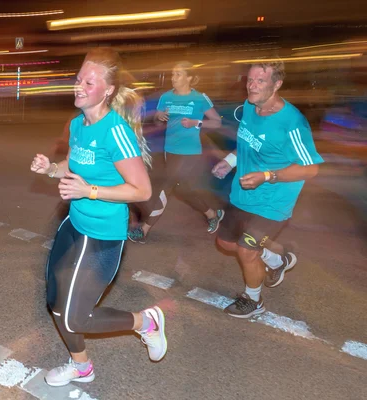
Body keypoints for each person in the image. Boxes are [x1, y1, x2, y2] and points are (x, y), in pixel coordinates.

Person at [30, 48, 168, 387]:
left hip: (103, 237)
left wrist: (88, 191)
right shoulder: (78, 124)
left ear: (107, 90)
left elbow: (141, 190)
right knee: (56, 304)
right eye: (78, 79)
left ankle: (146, 322)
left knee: (77, 317)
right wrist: (51, 168)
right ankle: (81, 367)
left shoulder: (115, 131)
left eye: (88, 82)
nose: (78, 86)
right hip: (74, 226)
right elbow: (74, 167)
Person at [212, 60, 323, 318]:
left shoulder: (292, 122)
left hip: (274, 202)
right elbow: (247, 144)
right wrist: (229, 162)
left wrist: (267, 175)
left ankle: (254, 301)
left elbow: (311, 168)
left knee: (246, 250)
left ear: (277, 84)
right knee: (225, 243)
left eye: (260, 81)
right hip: (242, 195)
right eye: (250, 80)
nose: (252, 85)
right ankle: (278, 259)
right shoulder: (250, 108)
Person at [129, 62, 224, 243]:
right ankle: (213, 214)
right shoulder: (166, 97)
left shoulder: (199, 98)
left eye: (178, 74)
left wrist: (196, 122)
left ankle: (144, 229)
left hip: (190, 152)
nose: (174, 78)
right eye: (173, 74)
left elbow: (216, 122)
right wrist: (159, 117)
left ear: (189, 78)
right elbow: (158, 120)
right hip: (170, 150)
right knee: (183, 190)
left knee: (167, 185)